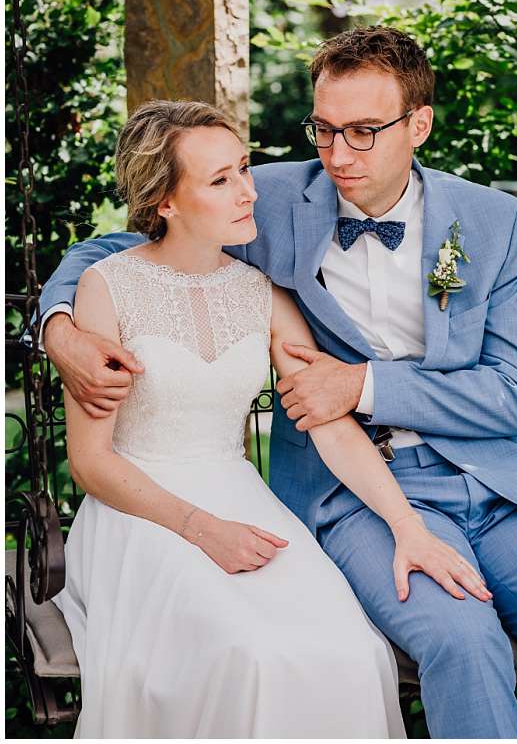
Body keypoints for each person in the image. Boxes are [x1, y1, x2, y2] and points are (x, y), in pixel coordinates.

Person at [40, 27, 517, 739]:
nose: (338, 155)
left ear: (418, 124)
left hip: (512, 485)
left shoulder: (493, 221)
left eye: (364, 131)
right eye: (324, 129)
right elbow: (125, 247)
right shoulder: (267, 197)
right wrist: (61, 329)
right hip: (362, 489)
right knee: (462, 643)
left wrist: (361, 384)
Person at [49, 100, 416, 737]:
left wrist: (409, 529)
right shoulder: (106, 289)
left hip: (243, 498)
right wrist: (199, 528)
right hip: (137, 509)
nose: (249, 191)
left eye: (244, 169)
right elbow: (90, 461)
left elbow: (327, 420)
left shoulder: (262, 294)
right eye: (220, 180)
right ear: (165, 200)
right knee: (248, 654)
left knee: (352, 653)